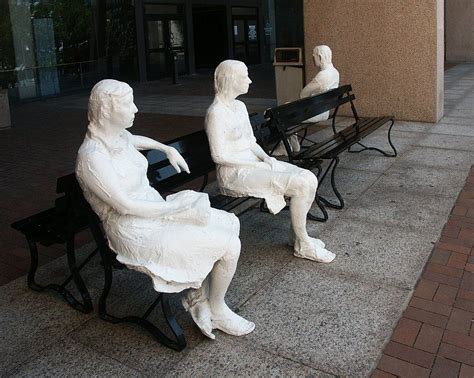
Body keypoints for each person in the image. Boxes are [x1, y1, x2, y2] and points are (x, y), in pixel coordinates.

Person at [75, 79, 254, 340]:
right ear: (106, 110)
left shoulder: (118, 136)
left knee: (229, 222)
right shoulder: (92, 157)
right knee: (228, 245)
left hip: (154, 209)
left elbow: (135, 140)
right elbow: (125, 205)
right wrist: (176, 212)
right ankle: (216, 309)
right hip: (131, 227)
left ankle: (198, 296)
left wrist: (166, 148)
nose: (136, 109)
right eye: (128, 104)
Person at [205, 60, 335, 263]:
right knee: (300, 184)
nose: (249, 80)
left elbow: (251, 141)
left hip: (254, 164)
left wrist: (266, 157)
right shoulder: (216, 113)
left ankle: (297, 237)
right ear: (230, 80)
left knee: (308, 177)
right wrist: (256, 164)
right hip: (234, 173)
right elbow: (219, 156)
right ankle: (303, 244)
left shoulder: (239, 106)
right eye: (244, 76)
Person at [300, 45, 340, 123]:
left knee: (284, 114)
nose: (313, 59)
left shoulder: (322, 76)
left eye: (314, 56)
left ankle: (290, 135)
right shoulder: (335, 72)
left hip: (317, 112)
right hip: (324, 109)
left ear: (320, 57)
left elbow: (303, 94)